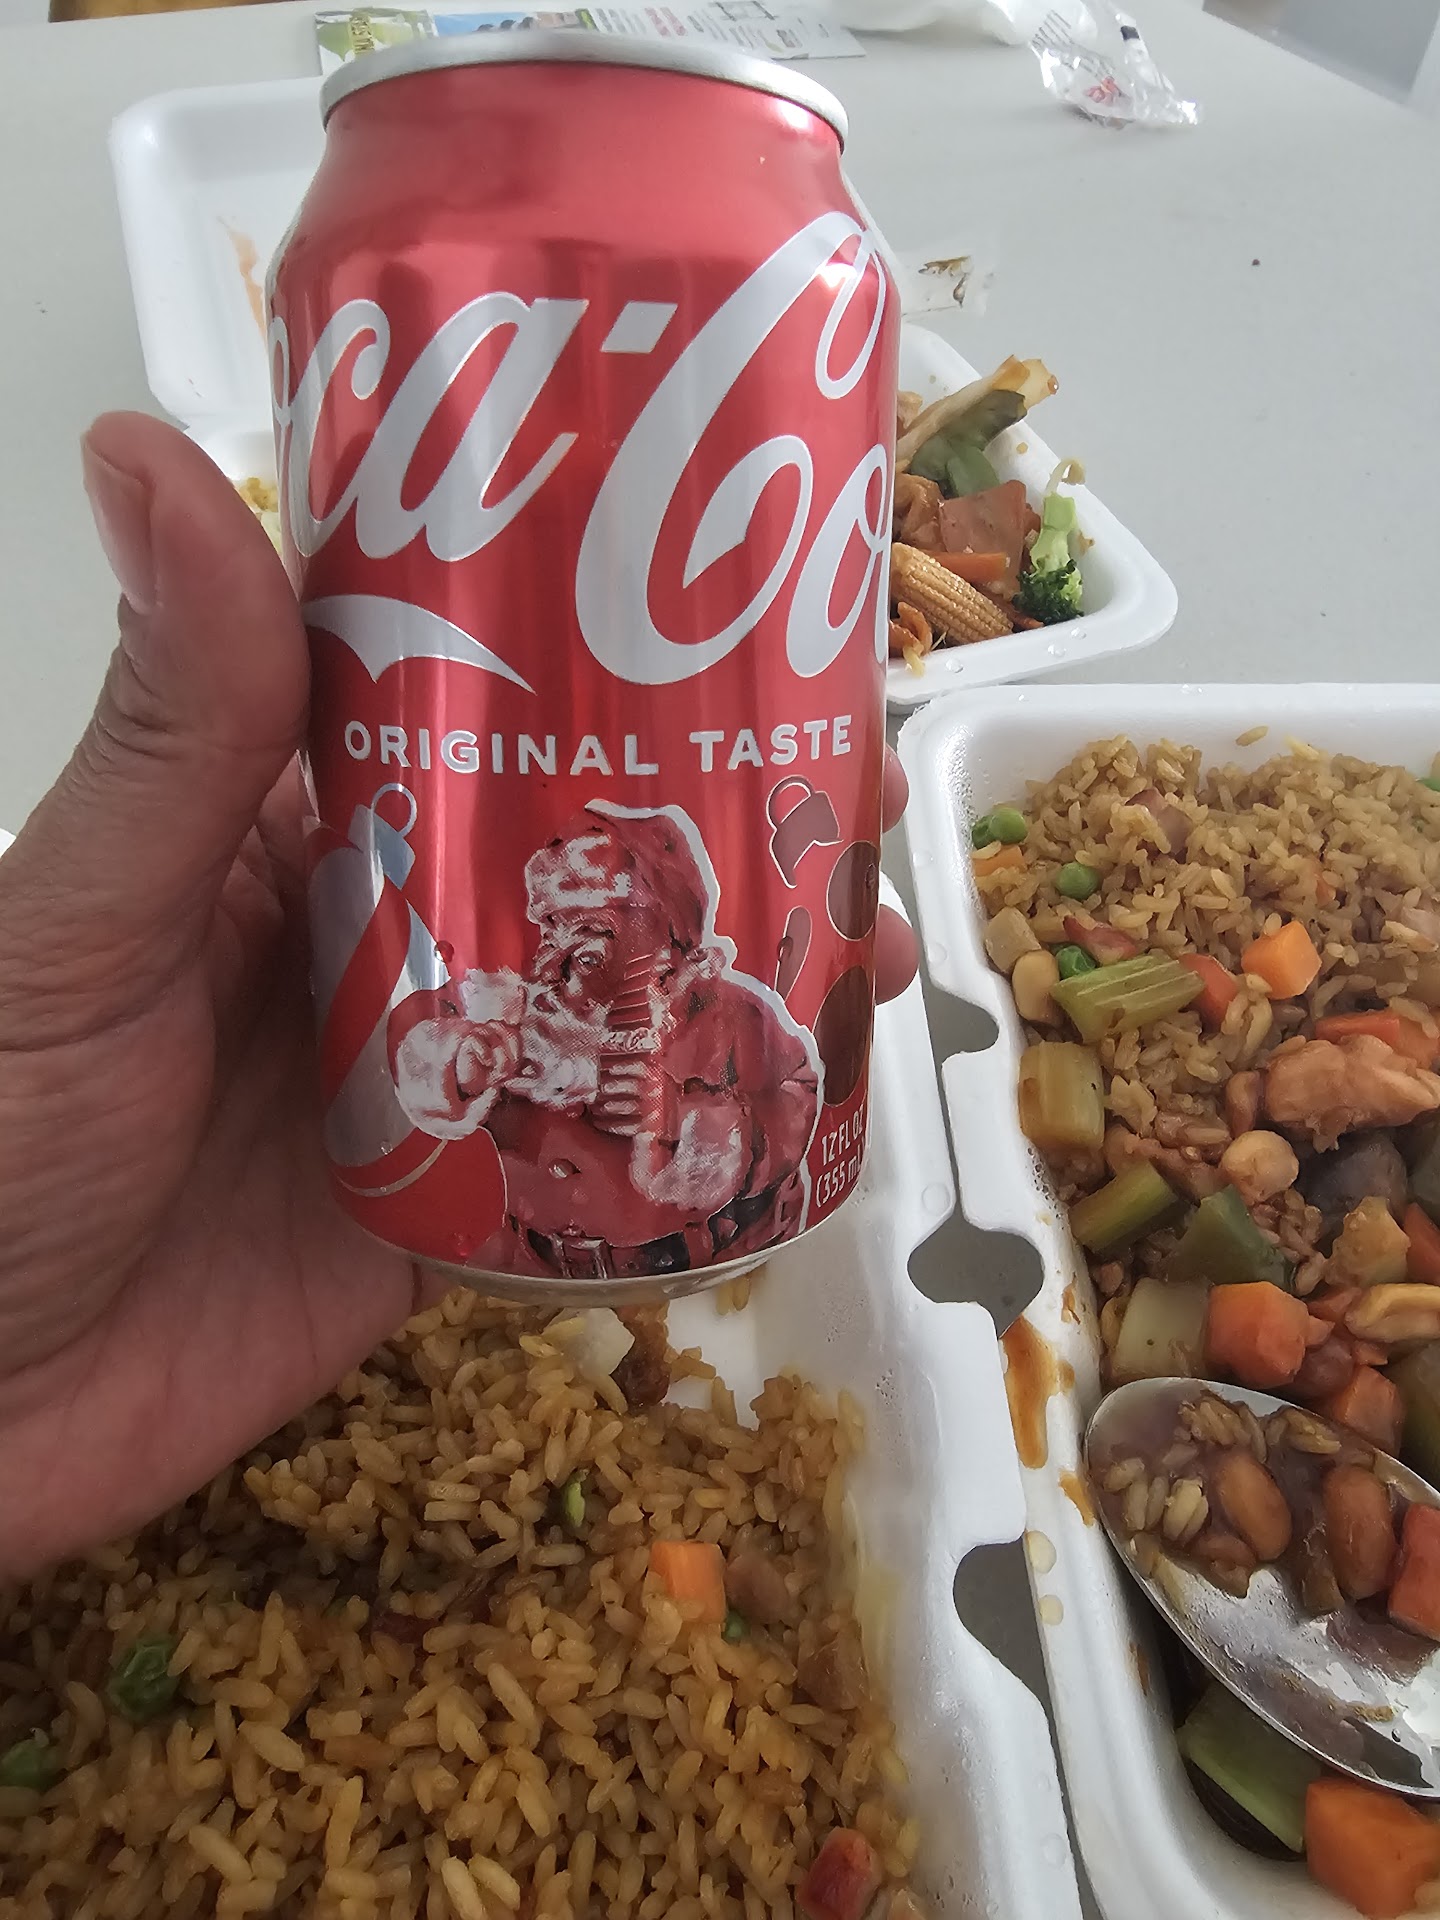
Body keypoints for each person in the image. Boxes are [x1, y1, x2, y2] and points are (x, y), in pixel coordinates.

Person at [0, 413, 918, 1582]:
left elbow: (793, 1091)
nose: (567, 954)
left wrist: (718, 1139)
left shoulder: (732, 1014)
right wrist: (464, 1068)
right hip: (496, 1235)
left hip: (698, 1226)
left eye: (603, 932)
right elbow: (429, 1054)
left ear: (678, 933)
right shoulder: (517, 1011)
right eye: (555, 930)